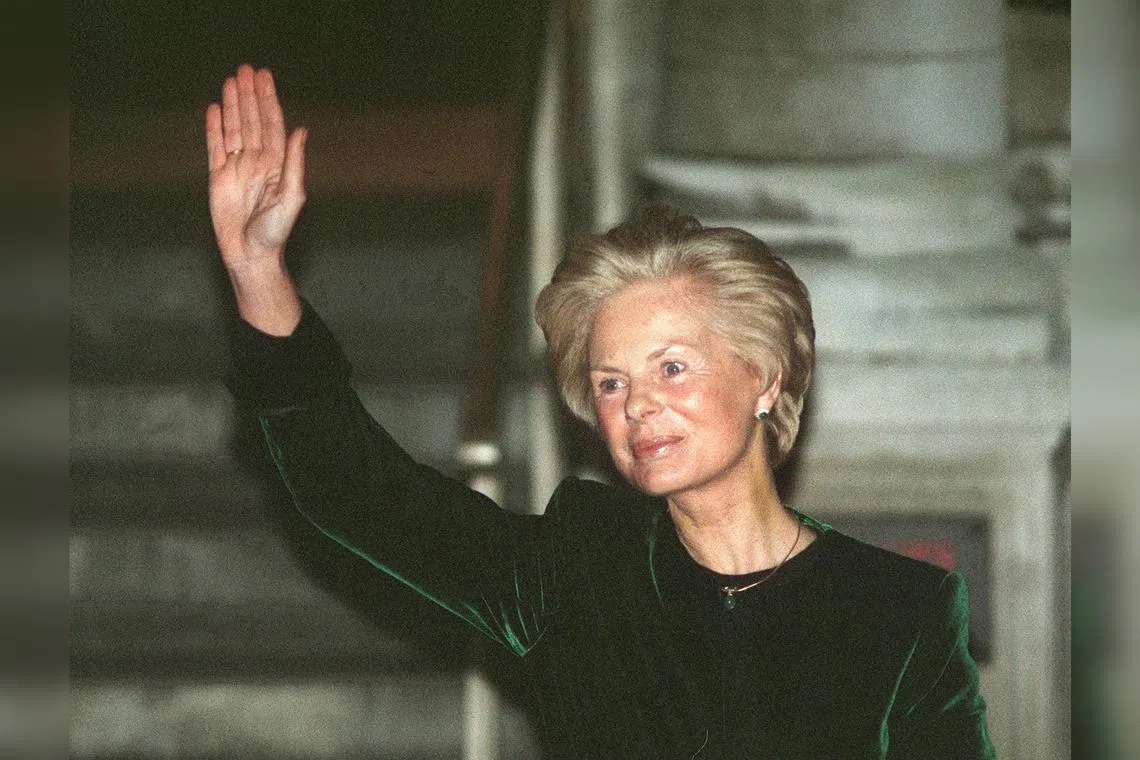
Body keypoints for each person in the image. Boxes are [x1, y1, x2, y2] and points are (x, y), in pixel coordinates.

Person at [207, 64, 997, 759]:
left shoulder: (896, 611)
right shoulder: (579, 572)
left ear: (765, 377)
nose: (639, 404)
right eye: (611, 383)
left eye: (673, 367)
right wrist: (256, 272)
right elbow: (357, 492)